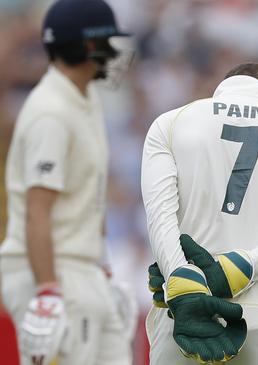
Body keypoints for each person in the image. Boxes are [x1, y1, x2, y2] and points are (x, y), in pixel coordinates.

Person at [142, 63, 258, 364]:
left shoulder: (172, 122)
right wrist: (237, 270)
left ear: (218, 94)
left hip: (184, 308)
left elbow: (159, 217)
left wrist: (180, 277)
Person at [0, 0, 134, 364]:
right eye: (107, 42)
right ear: (88, 45)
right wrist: (47, 292)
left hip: (83, 268)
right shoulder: (50, 112)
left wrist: (102, 266)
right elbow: (37, 211)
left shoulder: (85, 97)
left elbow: (90, 194)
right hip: (53, 270)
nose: (114, 53)